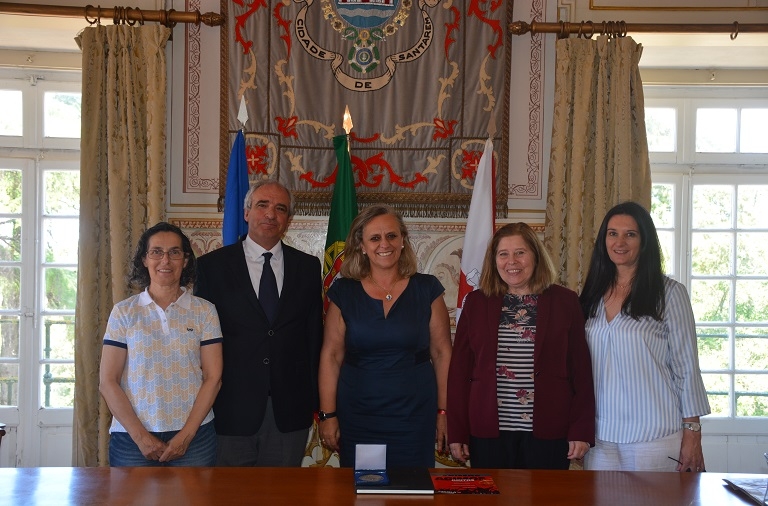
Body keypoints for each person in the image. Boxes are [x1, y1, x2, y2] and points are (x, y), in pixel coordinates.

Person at [195, 179, 323, 466]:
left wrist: (316, 403)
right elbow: (200, 341)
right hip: (229, 407)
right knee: (231, 495)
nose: (270, 214)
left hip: (289, 410)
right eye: (262, 205)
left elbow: (314, 337)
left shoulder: (308, 267)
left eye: (280, 208)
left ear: (288, 219)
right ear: (246, 212)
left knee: (281, 495)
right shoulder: (211, 267)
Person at [447, 222, 595, 470]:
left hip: (549, 430)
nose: (511, 261)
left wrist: (581, 429)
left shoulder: (565, 302)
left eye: (520, 252)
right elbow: (459, 373)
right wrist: (457, 432)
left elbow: (581, 370)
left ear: (535, 256)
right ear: (494, 261)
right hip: (487, 431)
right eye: (503, 254)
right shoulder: (475, 303)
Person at [318, 204, 453, 468]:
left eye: (392, 236)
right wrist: (328, 414)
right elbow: (331, 356)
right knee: (367, 491)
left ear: (403, 240)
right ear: (361, 246)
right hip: (359, 415)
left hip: (415, 414)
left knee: (413, 491)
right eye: (375, 238)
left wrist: (444, 411)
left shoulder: (427, 289)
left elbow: (442, 353)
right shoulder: (344, 291)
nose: (385, 244)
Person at [580, 201, 711, 472]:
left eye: (631, 234)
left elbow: (686, 368)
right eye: (612, 233)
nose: (620, 241)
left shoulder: (670, 293)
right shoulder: (591, 294)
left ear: (645, 241)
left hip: (656, 437)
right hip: (600, 439)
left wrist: (692, 432)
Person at [100, 222, 223, 466]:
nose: (165, 260)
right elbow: (107, 381)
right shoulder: (124, 312)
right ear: (144, 259)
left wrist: (185, 437)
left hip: (195, 439)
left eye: (174, 252)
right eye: (156, 252)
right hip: (131, 441)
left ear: (185, 260)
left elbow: (213, 377)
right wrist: (141, 437)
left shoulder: (205, 311)